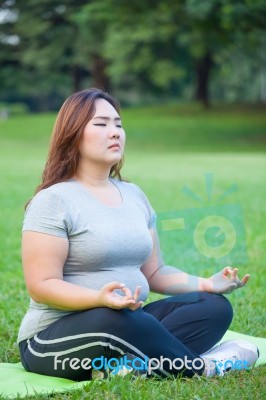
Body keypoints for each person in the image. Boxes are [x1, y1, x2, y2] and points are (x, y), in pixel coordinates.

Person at [18, 88, 259, 381]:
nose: (115, 132)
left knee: (211, 307)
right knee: (120, 318)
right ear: (73, 134)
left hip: (126, 322)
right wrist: (99, 298)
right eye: (101, 124)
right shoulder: (54, 200)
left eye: (118, 124)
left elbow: (155, 272)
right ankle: (202, 367)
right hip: (51, 342)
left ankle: (132, 367)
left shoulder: (133, 195)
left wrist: (208, 284)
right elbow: (41, 285)